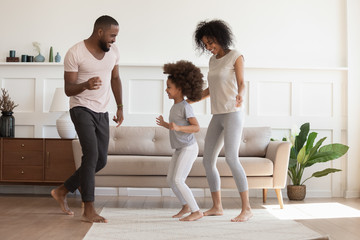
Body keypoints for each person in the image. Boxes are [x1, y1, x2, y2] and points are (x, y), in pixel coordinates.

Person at [51, 15, 124, 223]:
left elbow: (116, 78)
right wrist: (85, 85)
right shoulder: (75, 53)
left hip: (102, 111)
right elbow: (68, 89)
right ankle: (88, 209)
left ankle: (62, 190)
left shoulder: (114, 52)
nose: (114, 40)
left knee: (100, 160)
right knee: (91, 154)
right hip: (81, 108)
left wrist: (120, 106)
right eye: (112, 35)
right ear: (100, 32)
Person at [193, 19, 253, 222]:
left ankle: (247, 209)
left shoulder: (236, 56)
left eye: (211, 43)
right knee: (207, 160)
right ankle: (217, 206)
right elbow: (212, 89)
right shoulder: (213, 61)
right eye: (206, 45)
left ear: (220, 37)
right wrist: (194, 98)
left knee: (231, 158)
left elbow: (242, 82)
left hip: (233, 112)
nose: (209, 48)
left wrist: (240, 95)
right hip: (217, 114)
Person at [156, 60, 204, 221]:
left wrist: (178, 128)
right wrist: (166, 125)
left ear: (179, 89)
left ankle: (196, 211)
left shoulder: (185, 106)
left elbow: (196, 127)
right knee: (171, 179)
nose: (166, 89)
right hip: (179, 148)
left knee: (178, 179)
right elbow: (175, 126)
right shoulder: (174, 107)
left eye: (169, 87)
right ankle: (186, 205)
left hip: (189, 148)